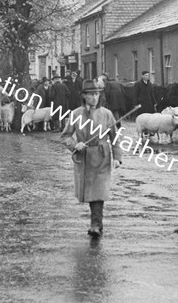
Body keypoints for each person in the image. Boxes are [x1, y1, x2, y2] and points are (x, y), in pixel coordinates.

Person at [61, 80, 123, 238]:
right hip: (84, 157)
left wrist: (117, 157)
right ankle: (97, 223)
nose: (94, 98)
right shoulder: (75, 114)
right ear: (83, 96)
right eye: (90, 94)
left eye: (97, 94)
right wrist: (75, 145)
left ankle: (95, 224)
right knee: (89, 191)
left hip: (102, 155)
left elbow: (115, 138)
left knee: (98, 190)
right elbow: (66, 136)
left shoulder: (107, 114)